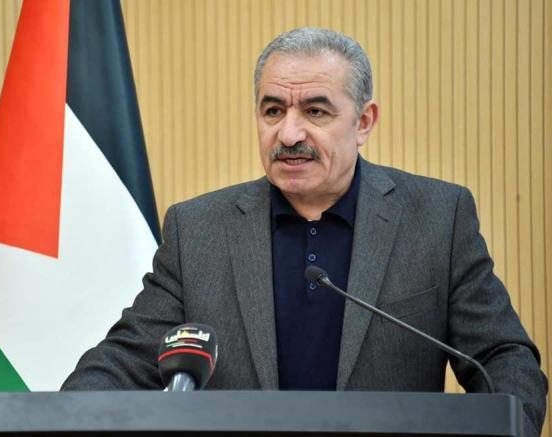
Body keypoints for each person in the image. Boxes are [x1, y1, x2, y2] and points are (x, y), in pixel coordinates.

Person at [62, 28, 547, 436]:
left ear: (363, 122)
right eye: (273, 111)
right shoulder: (199, 229)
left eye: (315, 112)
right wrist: (62, 418)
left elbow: (503, 358)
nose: (289, 134)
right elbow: (125, 360)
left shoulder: (437, 218)